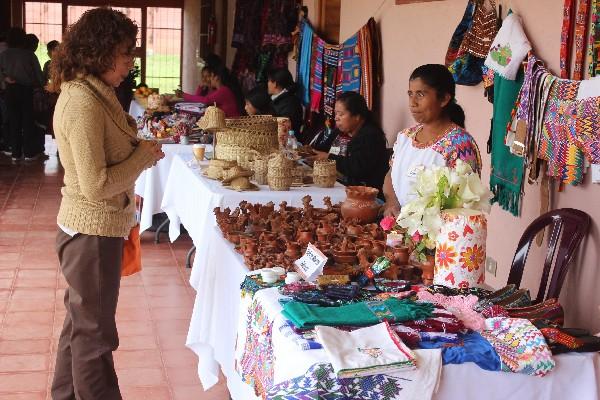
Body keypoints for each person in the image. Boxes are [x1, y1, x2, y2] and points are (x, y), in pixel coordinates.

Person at [47, 8, 164, 399]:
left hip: (92, 230)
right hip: (90, 232)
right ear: (100, 52)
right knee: (95, 337)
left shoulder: (96, 91)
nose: (130, 63)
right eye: (126, 53)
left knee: (80, 327)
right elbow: (96, 185)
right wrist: (143, 157)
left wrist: (137, 155)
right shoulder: (82, 101)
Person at [382, 64, 482, 217]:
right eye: (410, 94)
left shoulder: (459, 145)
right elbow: (391, 175)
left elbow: (465, 204)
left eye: (420, 95)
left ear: (444, 99)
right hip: (400, 232)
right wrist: (392, 203)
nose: (412, 102)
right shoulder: (405, 137)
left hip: (440, 237)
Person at [309, 91, 389, 192]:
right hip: (338, 184)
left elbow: (357, 168)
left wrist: (329, 157)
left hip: (362, 192)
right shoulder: (339, 131)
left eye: (341, 114)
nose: (336, 118)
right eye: (336, 114)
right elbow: (321, 149)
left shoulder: (370, 136)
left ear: (357, 117)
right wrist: (307, 151)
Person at [0, 27, 44, 161]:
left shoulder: (4, 54)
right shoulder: (29, 55)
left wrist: (5, 79)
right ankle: (29, 153)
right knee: (27, 121)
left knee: (13, 120)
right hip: (26, 90)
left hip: (10, 90)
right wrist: (41, 85)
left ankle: (15, 153)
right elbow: (39, 76)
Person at [267, 68, 303, 137]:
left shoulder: (290, 103)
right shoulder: (278, 99)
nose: (267, 84)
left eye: (268, 81)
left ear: (274, 84)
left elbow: (284, 129)